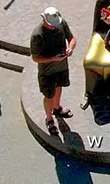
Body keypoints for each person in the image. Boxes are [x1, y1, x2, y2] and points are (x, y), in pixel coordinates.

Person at [30, 7, 77, 135]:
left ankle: (57, 108)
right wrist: (53, 59)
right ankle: (49, 118)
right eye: (51, 25)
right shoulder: (37, 35)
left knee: (59, 87)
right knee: (48, 96)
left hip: (61, 67)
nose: (54, 27)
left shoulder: (61, 24)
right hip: (47, 72)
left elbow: (72, 39)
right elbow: (35, 57)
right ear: (44, 20)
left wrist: (70, 49)